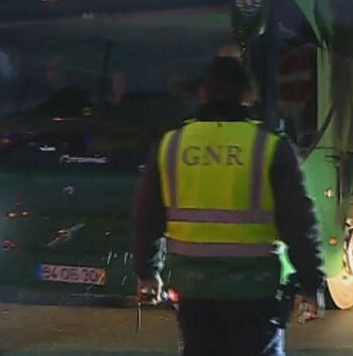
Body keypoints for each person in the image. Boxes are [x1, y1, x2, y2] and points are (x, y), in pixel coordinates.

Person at [133, 56, 325, 356]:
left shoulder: (171, 145)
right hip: (254, 290)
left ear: (203, 94)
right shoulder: (269, 146)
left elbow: (147, 217)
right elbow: (299, 223)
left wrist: (147, 272)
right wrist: (310, 283)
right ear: (248, 95)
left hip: (193, 290)